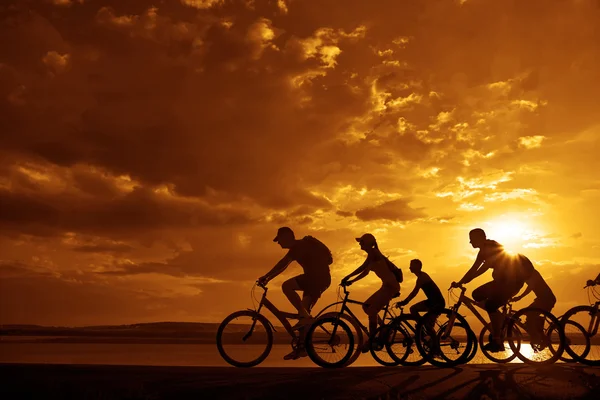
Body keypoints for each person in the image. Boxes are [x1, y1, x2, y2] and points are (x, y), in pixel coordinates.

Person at [451, 228, 532, 352]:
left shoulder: (491, 246)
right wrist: (461, 281)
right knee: (477, 294)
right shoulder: (482, 251)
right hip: (501, 282)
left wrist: (468, 279)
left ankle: (497, 339)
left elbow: (485, 266)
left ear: (479, 238)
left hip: (511, 282)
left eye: (471, 239)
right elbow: (474, 268)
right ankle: (500, 319)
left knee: (490, 305)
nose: (470, 242)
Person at [258, 227, 333, 360]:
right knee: (303, 316)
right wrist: (268, 278)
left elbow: (283, 263)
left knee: (287, 286)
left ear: (287, 236)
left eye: (279, 239)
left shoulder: (299, 246)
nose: (278, 243)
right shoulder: (299, 247)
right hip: (317, 279)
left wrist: (266, 276)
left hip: (316, 279)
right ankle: (302, 347)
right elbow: (284, 265)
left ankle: (304, 318)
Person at [341, 233, 401, 352]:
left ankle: (373, 338)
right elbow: (363, 270)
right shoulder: (372, 254)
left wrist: (349, 279)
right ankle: (383, 329)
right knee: (366, 306)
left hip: (391, 287)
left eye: (361, 242)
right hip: (386, 286)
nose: (359, 244)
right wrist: (349, 278)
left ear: (367, 243)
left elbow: (364, 270)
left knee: (372, 310)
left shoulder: (374, 253)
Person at [511, 267, 556, 344]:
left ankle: (536, 337)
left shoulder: (532, 273)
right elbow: (517, 285)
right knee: (531, 316)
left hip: (546, 299)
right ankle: (541, 336)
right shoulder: (528, 273)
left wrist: (520, 297)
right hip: (543, 299)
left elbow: (530, 287)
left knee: (529, 314)